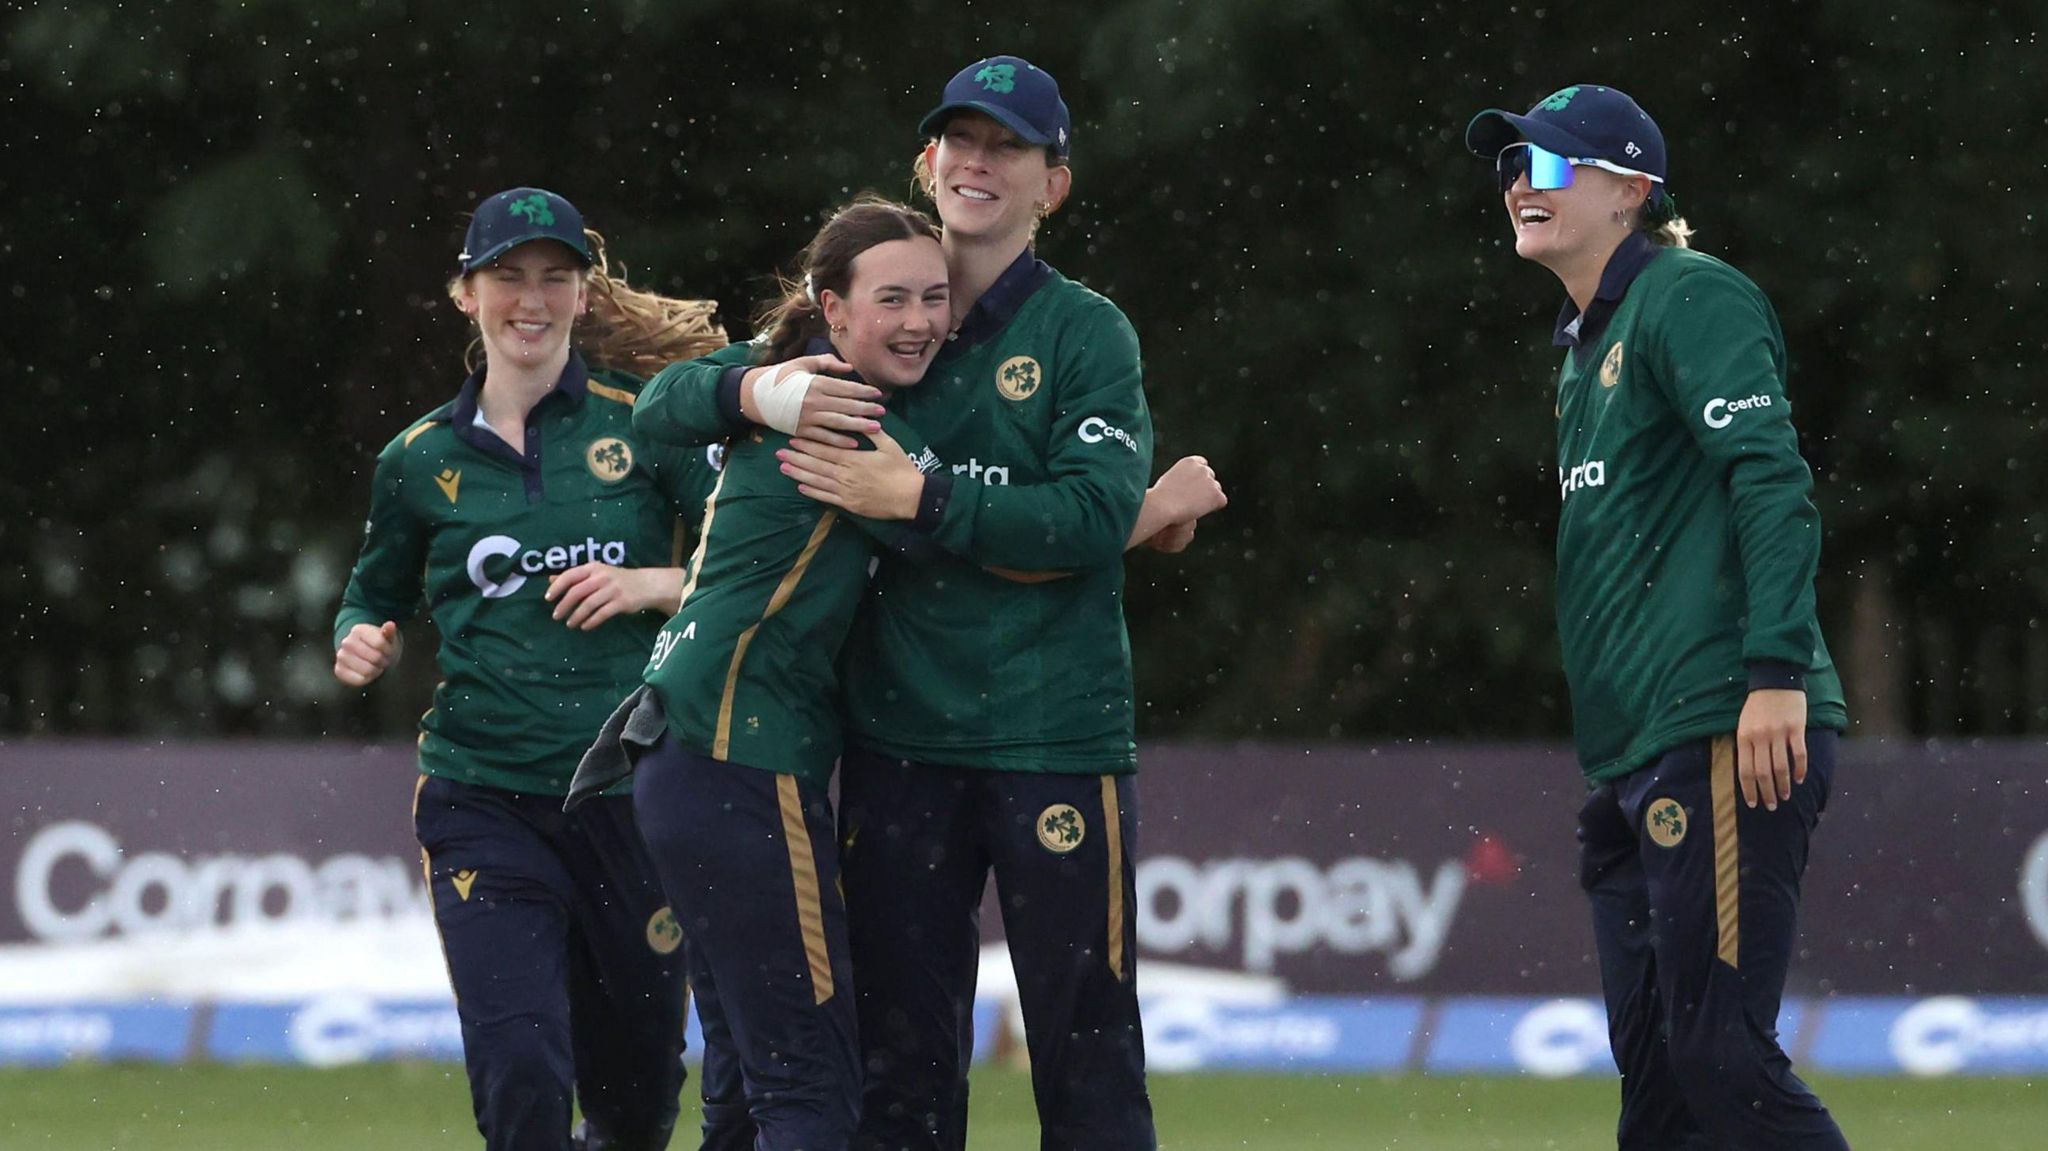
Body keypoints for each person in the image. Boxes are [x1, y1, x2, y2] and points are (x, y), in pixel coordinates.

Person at [634, 56, 1222, 1151]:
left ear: (1054, 184)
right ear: (925, 162)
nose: (978, 162)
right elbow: (671, 400)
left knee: (1085, 1055)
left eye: (1008, 146)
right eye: (961, 141)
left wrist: (931, 496)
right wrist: (753, 386)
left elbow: (1084, 516)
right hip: (897, 741)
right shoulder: (873, 318)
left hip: (1052, 732)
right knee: (900, 1067)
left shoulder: (1085, 333)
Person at [1466, 87, 1851, 1149]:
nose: (1516, 185)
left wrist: (1771, 667)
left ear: (1629, 189)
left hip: (1724, 720)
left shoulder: (1689, 296)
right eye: (1508, 168)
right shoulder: (1582, 348)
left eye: (1544, 167)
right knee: (1662, 1099)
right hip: (1636, 752)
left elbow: (1768, 481)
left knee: (1720, 1054)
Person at [332, 186, 735, 1151]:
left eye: (555, 277)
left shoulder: (645, 421)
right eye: (507, 276)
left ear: (584, 296)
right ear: (465, 293)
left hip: (632, 796)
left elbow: (751, 563)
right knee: (521, 1072)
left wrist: (648, 582)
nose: (531, 298)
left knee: (636, 1103)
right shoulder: (417, 459)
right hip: (483, 799)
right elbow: (371, 589)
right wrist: (361, 633)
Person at [566, 196, 964, 1151]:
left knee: (748, 1085)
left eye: (937, 299)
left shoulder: (797, 383)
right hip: (737, 760)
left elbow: (667, 402)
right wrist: (1132, 510)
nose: (919, 321)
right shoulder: (846, 415)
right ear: (833, 310)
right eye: (894, 299)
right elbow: (992, 544)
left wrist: (750, 389)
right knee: (810, 1087)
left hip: (681, 759)